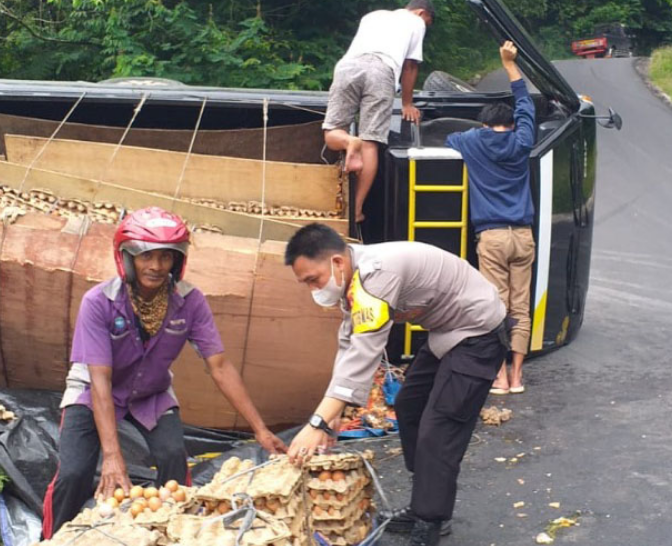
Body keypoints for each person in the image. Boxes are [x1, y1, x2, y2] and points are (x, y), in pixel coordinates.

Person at [43, 207, 287, 538]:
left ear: (178, 260)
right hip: (94, 393)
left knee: (173, 457)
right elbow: (100, 379)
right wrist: (112, 457)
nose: (156, 266)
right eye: (146, 256)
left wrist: (260, 430)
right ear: (126, 257)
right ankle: (53, 537)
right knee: (73, 474)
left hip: (151, 394)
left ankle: (175, 532)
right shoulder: (98, 302)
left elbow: (219, 366)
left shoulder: (190, 302)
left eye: (166, 257)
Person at [284, 224, 510, 546]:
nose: (313, 290)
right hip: (448, 332)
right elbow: (349, 344)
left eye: (313, 280)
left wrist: (317, 422)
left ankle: (431, 521)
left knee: (439, 426)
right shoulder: (354, 280)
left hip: (478, 331)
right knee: (409, 405)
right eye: (305, 283)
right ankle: (425, 502)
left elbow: (366, 350)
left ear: (335, 262)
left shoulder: (376, 276)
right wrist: (333, 413)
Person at [446, 41, 536, 395]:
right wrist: (510, 65)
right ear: (511, 124)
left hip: (493, 236)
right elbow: (526, 105)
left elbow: (451, 136)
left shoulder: (472, 142)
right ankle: (517, 377)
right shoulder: (522, 140)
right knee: (520, 306)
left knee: (495, 307)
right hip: (523, 236)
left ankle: (497, 376)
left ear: (485, 124)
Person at [322, 0, 434, 224]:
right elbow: (411, 66)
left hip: (346, 67)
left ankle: (347, 141)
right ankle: (355, 210)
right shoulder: (416, 22)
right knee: (370, 142)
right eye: (427, 22)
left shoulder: (373, 16)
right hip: (381, 70)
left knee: (332, 132)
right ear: (422, 12)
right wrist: (407, 104)